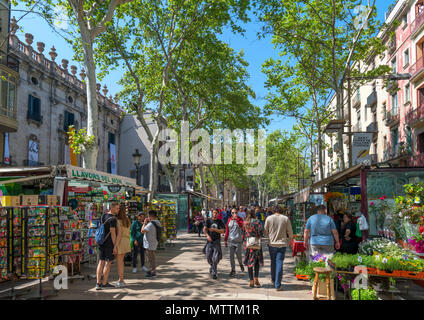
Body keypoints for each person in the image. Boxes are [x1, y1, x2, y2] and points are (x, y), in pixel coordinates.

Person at [264, 206, 293, 291]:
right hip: (282, 244)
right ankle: (278, 284)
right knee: (279, 263)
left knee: (273, 262)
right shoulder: (285, 218)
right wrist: (291, 240)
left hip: (272, 244)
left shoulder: (269, 218)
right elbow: (290, 232)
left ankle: (273, 280)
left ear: (273, 210)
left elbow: (265, 231)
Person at [96, 202, 118, 290]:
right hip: (109, 243)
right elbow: (112, 232)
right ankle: (104, 283)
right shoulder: (113, 219)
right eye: (116, 208)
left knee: (101, 262)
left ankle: (98, 283)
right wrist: (115, 245)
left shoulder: (103, 216)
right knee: (107, 263)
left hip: (101, 242)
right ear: (111, 208)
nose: (118, 210)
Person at [243, 209, 264, 288]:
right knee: (256, 262)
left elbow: (243, 234)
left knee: (249, 263)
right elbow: (260, 233)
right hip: (256, 245)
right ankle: (256, 279)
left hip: (248, 245)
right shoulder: (256, 222)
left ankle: (251, 280)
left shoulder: (245, 222)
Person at [204, 208, 226, 279]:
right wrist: (207, 236)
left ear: (218, 214)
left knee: (215, 258)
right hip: (209, 242)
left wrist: (215, 229)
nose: (215, 214)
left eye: (216, 213)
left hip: (216, 241)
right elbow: (204, 229)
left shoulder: (220, 222)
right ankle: (212, 266)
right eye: (214, 213)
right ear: (212, 213)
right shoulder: (208, 221)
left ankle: (214, 272)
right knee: (208, 257)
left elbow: (223, 231)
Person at [114, 204, 132, 287]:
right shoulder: (128, 220)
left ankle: (121, 280)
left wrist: (115, 245)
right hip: (126, 241)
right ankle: (120, 279)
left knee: (119, 262)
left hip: (120, 241)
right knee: (121, 261)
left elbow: (119, 235)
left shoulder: (118, 221)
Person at [224, 208, 245, 277]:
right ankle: (233, 270)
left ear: (237, 212)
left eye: (235, 212)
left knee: (238, 256)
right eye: (232, 213)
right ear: (231, 213)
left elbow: (242, 226)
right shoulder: (229, 220)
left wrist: (237, 219)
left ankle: (241, 264)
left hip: (238, 241)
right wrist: (225, 239)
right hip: (230, 241)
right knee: (231, 256)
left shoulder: (240, 219)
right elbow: (227, 230)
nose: (234, 214)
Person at [141, 210, 161, 278]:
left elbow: (142, 231)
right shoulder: (157, 222)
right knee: (152, 258)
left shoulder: (150, 224)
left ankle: (153, 272)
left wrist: (144, 223)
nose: (148, 217)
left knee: (151, 259)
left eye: (148, 215)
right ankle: (151, 270)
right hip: (154, 242)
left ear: (151, 216)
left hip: (149, 244)